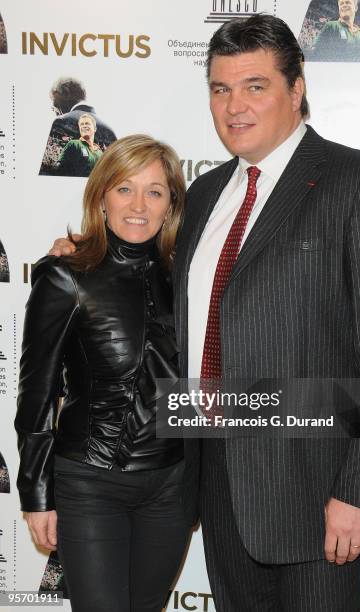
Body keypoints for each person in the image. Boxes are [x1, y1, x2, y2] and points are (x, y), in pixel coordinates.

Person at [50, 14, 360, 612]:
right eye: (221, 89)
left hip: (317, 499)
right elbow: (154, 289)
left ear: (296, 90)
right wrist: (83, 257)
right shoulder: (207, 194)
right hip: (214, 491)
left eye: (255, 86)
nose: (234, 106)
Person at [16, 135, 197, 612]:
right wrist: (36, 493)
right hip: (90, 484)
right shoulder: (65, 275)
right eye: (124, 189)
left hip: (172, 488)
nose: (139, 205)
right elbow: (37, 394)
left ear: (171, 204)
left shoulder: (190, 277)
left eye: (155, 192)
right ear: (101, 196)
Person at [39, 77, 116, 176]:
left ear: (62, 94)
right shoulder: (110, 130)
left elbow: (48, 172)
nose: (53, 108)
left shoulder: (61, 122)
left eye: (53, 100)